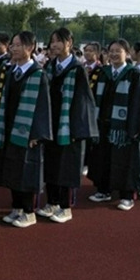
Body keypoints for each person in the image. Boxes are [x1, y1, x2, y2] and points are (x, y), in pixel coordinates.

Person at [87, 39, 140, 211]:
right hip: (104, 124)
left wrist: (135, 127)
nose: (114, 54)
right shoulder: (103, 73)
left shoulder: (134, 74)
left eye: (118, 51)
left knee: (126, 162)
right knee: (103, 158)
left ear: (127, 53)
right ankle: (103, 190)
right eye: (111, 51)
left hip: (124, 128)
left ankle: (127, 196)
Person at [0, 31, 52, 228]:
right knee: (12, 170)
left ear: (30, 47)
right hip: (10, 128)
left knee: (27, 171)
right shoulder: (12, 71)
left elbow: (43, 107)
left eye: (18, 45)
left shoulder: (38, 74)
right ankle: (17, 207)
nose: (14, 48)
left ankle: (29, 211)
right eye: (13, 45)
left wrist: (36, 134)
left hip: (28, 133)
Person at [39, 28, 98, 223]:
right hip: (52, 124)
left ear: (69, 43)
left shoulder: (77, 69)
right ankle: (52, 202)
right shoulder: (49, 66)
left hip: (69, 126)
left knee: (67, 167)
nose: (54, 45)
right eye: (52, 41)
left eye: (59, 41)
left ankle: (65, 207)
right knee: (51, 164)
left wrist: (77, 129)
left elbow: (83, 102)